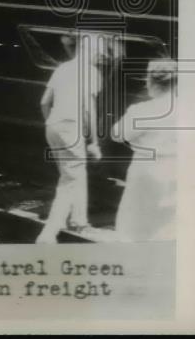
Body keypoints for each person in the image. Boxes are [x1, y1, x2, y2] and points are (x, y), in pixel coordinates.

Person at [36, 30, 106, 244]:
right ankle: (49, 232)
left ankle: (79, 221)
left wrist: (51, 122)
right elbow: (89, 109)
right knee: (69, 180)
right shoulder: (91, 72)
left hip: (53, 126)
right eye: (99, 52)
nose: (100, 57)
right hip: (71, 128)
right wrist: (94, 142)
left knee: (73, 175)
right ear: (89, 49)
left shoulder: (62, 68)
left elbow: (43, 102)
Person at [113, 59, 177, 242]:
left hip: (145, 168)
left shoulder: (142, 109)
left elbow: (118, 134)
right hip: (176, 167)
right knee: (169, 219)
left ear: (151, 82)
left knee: (136, 220)